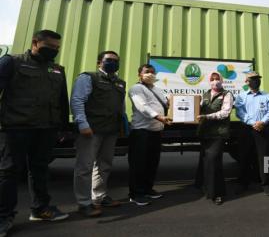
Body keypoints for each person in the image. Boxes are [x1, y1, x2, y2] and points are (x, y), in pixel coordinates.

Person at [0, 30, 70, 235]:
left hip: (46, 128)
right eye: (50, 46)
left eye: (57, 48)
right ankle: (3, 217)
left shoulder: (57, 69)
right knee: (9, 171)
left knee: (39, 169)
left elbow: (61, 101)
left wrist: (63, 126)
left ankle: (40, 209)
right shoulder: (12, 62)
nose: (54, 50)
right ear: (35, 42)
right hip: (16, 127)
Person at [71, 51, 126, 217]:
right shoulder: (88, 77)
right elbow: (77, 100)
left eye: (116, 61)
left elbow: (120, 107)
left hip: (111, 130)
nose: (113, 63)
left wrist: (122, 127)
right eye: (109, 60)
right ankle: (83, 203)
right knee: (85, 167)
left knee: (104, 165)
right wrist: (82, 123)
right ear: (99, 62)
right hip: (91, 130)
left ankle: (100, 196)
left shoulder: (120, 83)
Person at [127, 64, 171, 206]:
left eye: (153, 72)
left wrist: (173, 103)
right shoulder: (136, 89)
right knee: (138, 164)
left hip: (156, 132)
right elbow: (143, 107)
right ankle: (136, 194)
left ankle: (147, 189)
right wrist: (159, 117)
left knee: (152, 163)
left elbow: (166, 104)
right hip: (141, 132)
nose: (150, 74)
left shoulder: (157, 89)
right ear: (140, 74)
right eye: (147, 72)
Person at [234, 71, 269, 196]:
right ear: (246, 82)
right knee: (244, 156)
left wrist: (262, 122)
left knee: (264, 157)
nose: (256, 80)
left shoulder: (267, 96)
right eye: (252, 79)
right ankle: (243, 183)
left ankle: (266, 184)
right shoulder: (241, 96)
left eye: (257, 78)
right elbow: (240, 112)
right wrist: (253, 123)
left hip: (262, 129)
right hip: (246, 129)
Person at [196, 72, 234, 205]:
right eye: (212, 79)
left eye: (217, 79)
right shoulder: (205, 94)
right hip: (205, 133)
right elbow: (197, 109)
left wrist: (207, 117)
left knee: (214, 161)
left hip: (218, 134)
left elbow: (225, 113)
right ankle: (208, 189)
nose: (214, 81)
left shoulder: (227, 94)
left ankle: (218, 193)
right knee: (206, 162)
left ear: (222, 81)